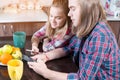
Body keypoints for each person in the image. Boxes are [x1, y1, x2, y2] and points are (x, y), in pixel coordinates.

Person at [28, 0, 120, 80]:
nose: (69, 14)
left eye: (73, 9)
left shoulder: (100, 35)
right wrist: (45, 56)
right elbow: (68, 48)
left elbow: (83, 78)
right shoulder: (84, 26)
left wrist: (46, 73)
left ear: (86, 8)